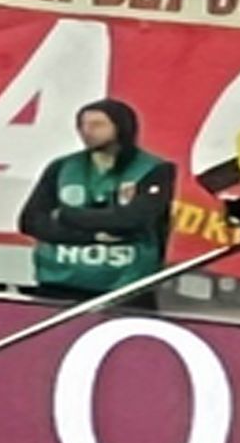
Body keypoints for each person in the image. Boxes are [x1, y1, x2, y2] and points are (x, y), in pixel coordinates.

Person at [15, 99, 173, 304]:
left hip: (125, 287)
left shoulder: (153, 169)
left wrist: (65, 216)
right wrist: (96, 234)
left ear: (121, 127)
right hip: (59, 283)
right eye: (82, 125)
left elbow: (133, 220)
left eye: (97, 125)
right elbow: (31, 221)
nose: (87, 131)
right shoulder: (62, 167)